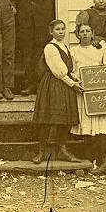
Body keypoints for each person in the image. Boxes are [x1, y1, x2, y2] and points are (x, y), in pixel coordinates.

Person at [32, 19, 83, 164]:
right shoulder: (50, 47)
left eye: (62, 29)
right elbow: (59, 71)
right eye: (57, 29)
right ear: (51, 32)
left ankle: (63, 151)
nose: (61, 32)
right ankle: (41, 152)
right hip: (53, 85)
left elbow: (69, 69)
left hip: (64, 85)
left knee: (63, 120)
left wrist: (76, 80)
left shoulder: (65, 47)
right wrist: (72, 84)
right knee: (48, 119)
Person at [13, 0, 55, 95]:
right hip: (25, 18)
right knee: (28, 51)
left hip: (43, 18)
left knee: (42, 50)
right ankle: (30, 84)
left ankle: (42, 85)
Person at [69, 24, 106, 172]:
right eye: (82, 32)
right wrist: (78, 81)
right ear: (78, 35)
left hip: (96, 91)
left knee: (96, 125)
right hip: (82, 90)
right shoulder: (73, 51)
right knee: (84, 123)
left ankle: (98, 159)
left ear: (92, 33)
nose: (85, 34)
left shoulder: (99, 50)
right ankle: (85, 160)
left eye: (88, 31)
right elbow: (71, 70)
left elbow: (104, 68)